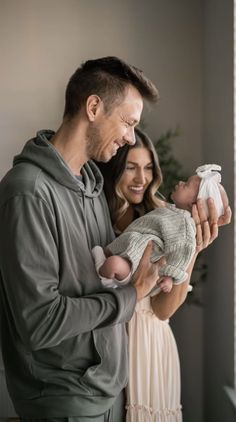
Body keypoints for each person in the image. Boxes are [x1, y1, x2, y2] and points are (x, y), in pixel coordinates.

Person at [0, 56, 167, 421]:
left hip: (108, 397)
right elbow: (40, 322)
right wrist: (130, 295)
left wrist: (181, 244)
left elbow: (107, 275)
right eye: (127, 122)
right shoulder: (27, 192)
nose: (131, 138)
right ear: (93, 107)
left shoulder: (92, 186)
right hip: (64, 403)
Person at [96, 128, 230, 421]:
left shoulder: (166, 219)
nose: (141, 179)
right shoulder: (96, 219)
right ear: (113, 169)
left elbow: (162, 308)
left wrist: (194, 249)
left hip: (151, 344)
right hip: (108, 339)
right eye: (131, 167)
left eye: (147, 168)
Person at [92, 164, 227, 295]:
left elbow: (182, 250)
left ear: (194, 204)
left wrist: (169, 277)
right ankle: (104, 269)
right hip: (130, 245)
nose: (180, 182)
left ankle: (104, 282)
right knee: (108, 257)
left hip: (137, 263)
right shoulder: (171, 211)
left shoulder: (184, 225)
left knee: (113, 264)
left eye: (186, 185)